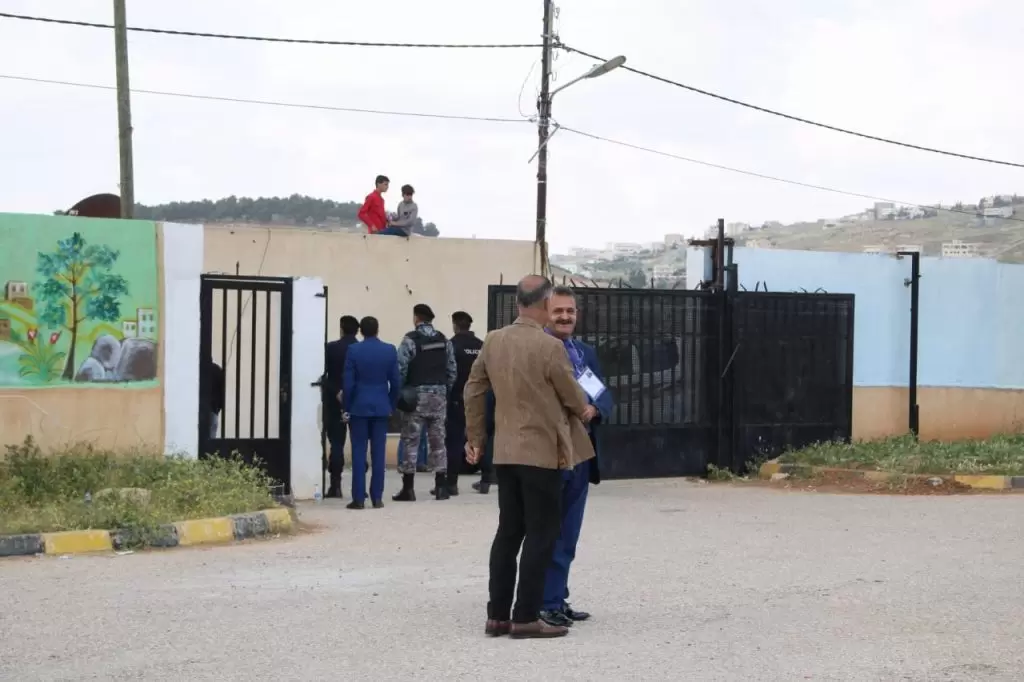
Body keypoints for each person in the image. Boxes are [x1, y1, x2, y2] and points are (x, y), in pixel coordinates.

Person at [464, 275, 597, 639]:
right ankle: (525, 616)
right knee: (542, 534)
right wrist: (583, 408)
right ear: (544, 303)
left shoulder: (493, 340)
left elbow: (473, 390)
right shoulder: (550, 347)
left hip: (506, 452)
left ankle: (497, 616)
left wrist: (475, 437)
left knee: (508, 533)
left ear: (518, 302)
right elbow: (572, 395)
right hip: (542, 453)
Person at [539, 286, 615, 629]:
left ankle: (557, 597)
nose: (565, 317)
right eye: (558, 311)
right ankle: (544, 601)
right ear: (545, 313)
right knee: (547, 530)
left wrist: (595, 408)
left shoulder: (584, 353)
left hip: (581, 453)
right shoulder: (537, 349)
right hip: (548, 452)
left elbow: (604, 394)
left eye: (570, 311)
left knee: (568, 532)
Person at [394, 303, 457, 501]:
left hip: (416, 397)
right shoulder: (444, 340)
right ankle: (441, 487)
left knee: (411, 441)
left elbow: (400, 369)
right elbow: (452, 371)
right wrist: (444, 390)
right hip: (439, 396)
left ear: (416, 318)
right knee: (438, 442)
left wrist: (401, 392)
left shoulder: (410, 340)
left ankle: (408, 488)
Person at [342, 316, 401, 509]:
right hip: (381, 406)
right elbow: (396, 382)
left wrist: (347, 407)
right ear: (377, 329)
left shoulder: (354, 350)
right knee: (379, 454)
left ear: (361, 331)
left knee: (359, 453)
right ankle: (377, 497)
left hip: (359, 406)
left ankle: (358, 498)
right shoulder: (389, 350)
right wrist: (390, 404)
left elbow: (348, 384)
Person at [432, 310, 482, 497]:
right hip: (478, 398)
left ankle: (451, 483)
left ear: (455, 325)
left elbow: (448, 372)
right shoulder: (481, 346)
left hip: (457, 399)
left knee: (453, 441)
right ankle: (486, 476)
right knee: (480, 437)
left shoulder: (451, 345)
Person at [322, 315, 361, 498]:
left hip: (334, 401)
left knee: (336, 443)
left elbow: (325, 374)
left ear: (341, 328)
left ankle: (335, 485)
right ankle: (359, 487)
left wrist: (337, 391)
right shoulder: (361, 349)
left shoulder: (331, 348)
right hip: (357, 401)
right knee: (358, 444)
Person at [208, 359, 225, 439]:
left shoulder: (198, 369)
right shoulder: (217, 369)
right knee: (211, 436)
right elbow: (222, 391)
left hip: (201, 408)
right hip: (214, 408)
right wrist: (219, 407)